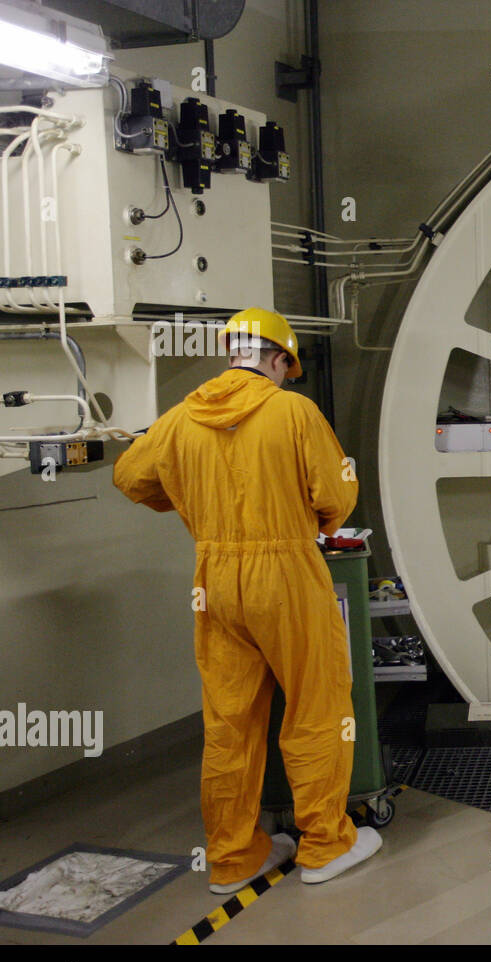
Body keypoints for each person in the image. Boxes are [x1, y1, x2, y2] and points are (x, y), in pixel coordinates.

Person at [112, 307, 382, 892]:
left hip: (215, 580)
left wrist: (187, 498)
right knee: (315, 707)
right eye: (289, 366)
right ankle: (325, 844)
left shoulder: (184, 416)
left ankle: (233, 859)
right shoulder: (294, 411)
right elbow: (337, 496)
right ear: (279, 359)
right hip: (286, 575)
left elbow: (130, 477)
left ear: (232, 351)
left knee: (229, 721)